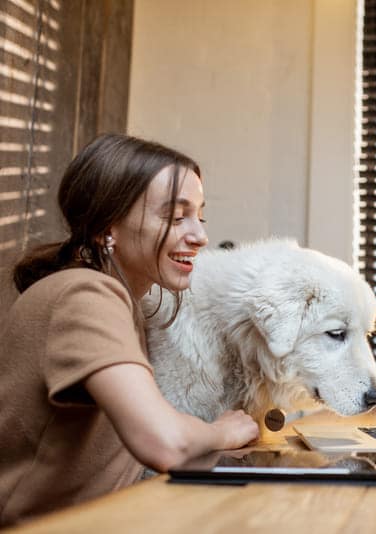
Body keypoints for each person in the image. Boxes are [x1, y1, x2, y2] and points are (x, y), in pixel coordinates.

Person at [0, 134, 260, 526]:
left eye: (200, 216)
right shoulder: (86, 294)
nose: (200, 236)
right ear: (108, 225)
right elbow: (165, 442)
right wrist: (221, 432)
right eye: (176, 217)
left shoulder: (117, 301)